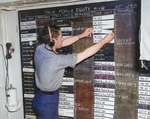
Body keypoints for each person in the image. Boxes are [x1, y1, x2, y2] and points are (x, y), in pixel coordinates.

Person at [33, 25, 115, 119]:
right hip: (48, 102)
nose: (63, 39)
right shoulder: (56, 60)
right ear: (53, 41)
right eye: (61, 37)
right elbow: (86, 53)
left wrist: (81, 35)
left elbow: (61, 43)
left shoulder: (40, 49)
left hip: (39, 97)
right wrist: (104, 41)